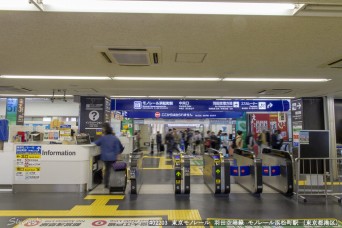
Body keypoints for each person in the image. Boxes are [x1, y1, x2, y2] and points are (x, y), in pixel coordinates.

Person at [94, 123, 124, 188]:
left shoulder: (103, 138)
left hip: (105, 157)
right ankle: (112, 182)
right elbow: (118, 148)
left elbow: (95, 143)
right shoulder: (115, 138)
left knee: (107, 169)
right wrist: (118, 154)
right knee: (112, 169)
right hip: (113, 157)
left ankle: (106, 183)